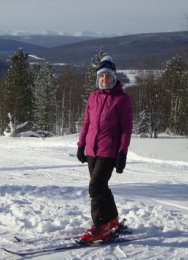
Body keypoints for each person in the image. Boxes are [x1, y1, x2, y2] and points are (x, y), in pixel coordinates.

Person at [77, 55, 133, 243]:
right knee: (102, 187)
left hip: (109, 152)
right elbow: (86, 123)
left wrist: (122, 153)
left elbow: (126, 129)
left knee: (95, 188)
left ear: (114, 77)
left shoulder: (122, 100)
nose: (104, 79)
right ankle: (113, 219)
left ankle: (100, 226)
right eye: (101, 76)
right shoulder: (93, 97)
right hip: (92, 151)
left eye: (108, 76)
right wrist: (81, 145)